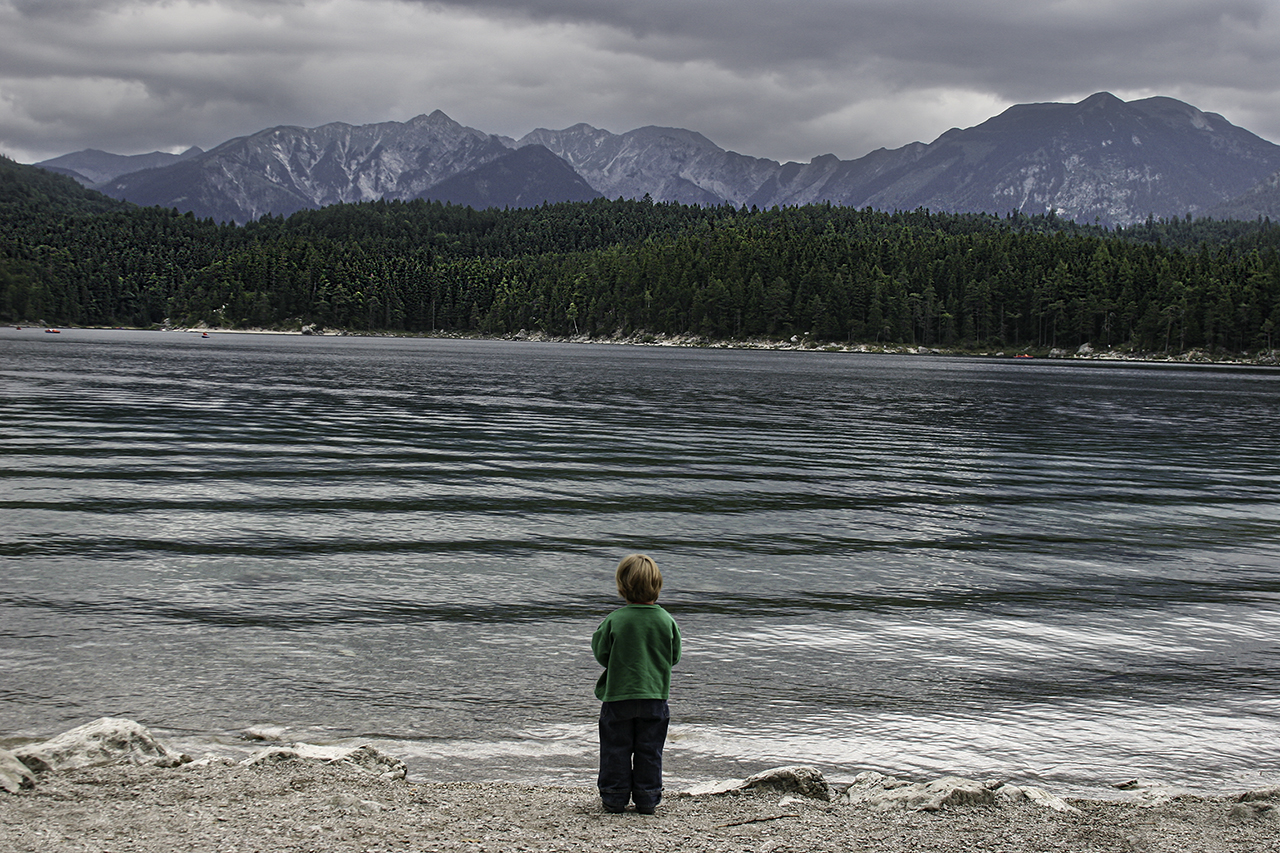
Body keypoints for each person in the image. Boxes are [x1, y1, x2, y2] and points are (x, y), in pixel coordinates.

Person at [591, 554, 682, 815]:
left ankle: (614, 796)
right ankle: (647, 797)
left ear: (622, 587)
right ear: (657, 586)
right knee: (649, 749)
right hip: (654, 696)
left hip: (618, 696)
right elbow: (673, 657)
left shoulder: (615, 620)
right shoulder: (666, 620)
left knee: (615, 748)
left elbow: (601, 653)